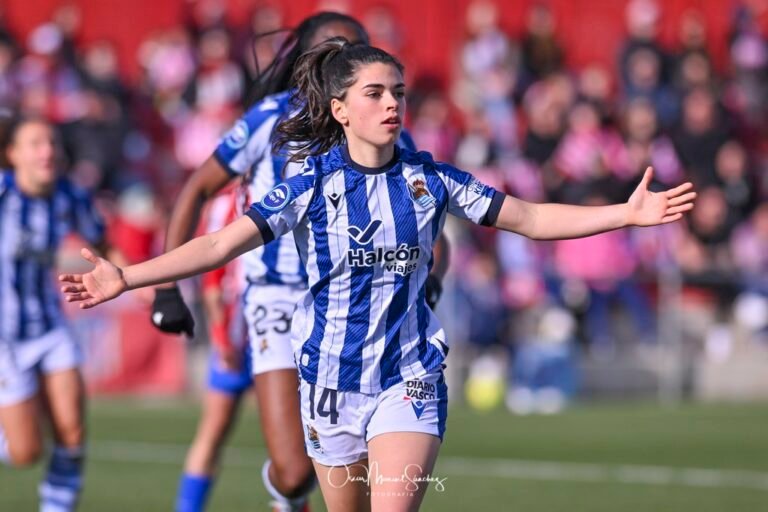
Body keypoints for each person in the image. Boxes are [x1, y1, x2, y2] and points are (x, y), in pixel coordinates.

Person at [60, 39, 695, 511]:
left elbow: (527, 216)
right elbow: (222, 242)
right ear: (339, 109)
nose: (392, 103)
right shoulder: (309, 187)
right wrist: (131, 276)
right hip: (331, 385)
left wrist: (625, 213)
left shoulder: (430, 179)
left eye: (398, 92)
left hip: (409, 378)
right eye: (375, 93)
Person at [154, 12, 447, 512]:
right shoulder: (269, 118)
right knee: (292, 472)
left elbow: (425, 202)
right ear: (310, 64)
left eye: (357, 52)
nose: (348, 62)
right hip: (277, 295)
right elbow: (199, 187)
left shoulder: (382, 126)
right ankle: (287, 497)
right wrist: (165, 289)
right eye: (335, 54)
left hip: (350, 300)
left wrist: (430, 275)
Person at [0, 116, 116, 512]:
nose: (47, 151)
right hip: (4, 338)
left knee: (71, 432)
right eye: (34, 143)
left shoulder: (70, 195)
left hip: (50, 327)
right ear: (12, 154)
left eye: (51, 143)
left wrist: (150, 290)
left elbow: (105, 246)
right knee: (26, 452)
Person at [175, 189, 251, 512]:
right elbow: (212, 284)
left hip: (287, 341)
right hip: (239, 338)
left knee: (297, 451)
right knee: (212, 433)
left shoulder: (299, 186)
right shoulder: (226, 203)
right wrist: (222, 338)